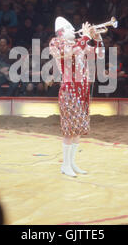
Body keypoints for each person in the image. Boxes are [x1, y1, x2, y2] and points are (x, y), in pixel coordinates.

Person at [49, 17, 104, 177]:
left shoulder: (80, 44)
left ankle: (72, 163)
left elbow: (99, 55)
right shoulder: (56, 43)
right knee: (69, 130)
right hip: (69, 90)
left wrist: (98, 39)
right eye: (69, 29)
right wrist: (86, 36)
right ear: (61, 33)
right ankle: (65, 165)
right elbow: (67, 54)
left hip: (82, 90)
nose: (74, 30)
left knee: (78, 129)